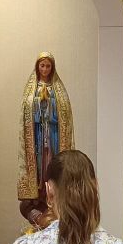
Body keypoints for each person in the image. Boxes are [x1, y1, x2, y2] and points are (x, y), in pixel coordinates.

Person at [18, 51, 74, 229]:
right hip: (38, 137)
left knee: (52, 161)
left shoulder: (58, 90)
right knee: (40, 164)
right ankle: (40, 192)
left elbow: (63, 114)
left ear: (52, 68)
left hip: (53, 135)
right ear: (37, 67)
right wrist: (37, 103)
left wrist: (50, 104)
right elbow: (27, 112)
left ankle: (53, 191)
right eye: (42, 65)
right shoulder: (32, 89)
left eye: (48, 66)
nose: (45, 69)